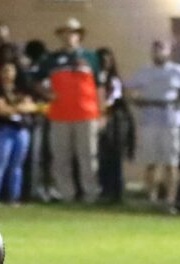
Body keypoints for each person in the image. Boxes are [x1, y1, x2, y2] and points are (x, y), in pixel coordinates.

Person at [125, 40, 180, 212]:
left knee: (171, 162)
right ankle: (151, 198)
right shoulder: (145, 72)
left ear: (168, 52)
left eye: (162, 50)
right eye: (155, 50)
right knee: (151, 161)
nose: (158, 53)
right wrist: (137, 101)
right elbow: (128, 88)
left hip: (171, 120)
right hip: (150, 120)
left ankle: (170, 200)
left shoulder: (176, 71)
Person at [37, 18, 102, 203]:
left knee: (88, 156)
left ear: (79, 36)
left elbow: (99, 87)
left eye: (72, 33)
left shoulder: (91, 58)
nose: (69, 36)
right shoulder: (51, 59)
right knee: (61, 157)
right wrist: (46, 93)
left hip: (87, 114)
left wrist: (102, 112)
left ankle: (90, 194)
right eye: (65, 32)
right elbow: (34, 79)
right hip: (60, 115)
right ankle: (67, 194)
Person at [0, 62, 36, 204]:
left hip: (21, 130)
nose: (8, 74)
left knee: (17, 165)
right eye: (5, 71)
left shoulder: (21, 89)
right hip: (4, 130)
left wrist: (14, 108)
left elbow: (31, 106)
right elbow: (2, 110)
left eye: (11, 71)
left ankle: (15, 197)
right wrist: (19, 108)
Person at [96, 47, 133, 202]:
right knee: (100, 158)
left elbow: (114, 100)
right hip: (98, 117)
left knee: (114, 157)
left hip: (114, 121)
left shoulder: (114, 80)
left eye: (108, 60)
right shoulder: (94, 78)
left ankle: (115, 192)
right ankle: (103, 189)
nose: (105, 63)